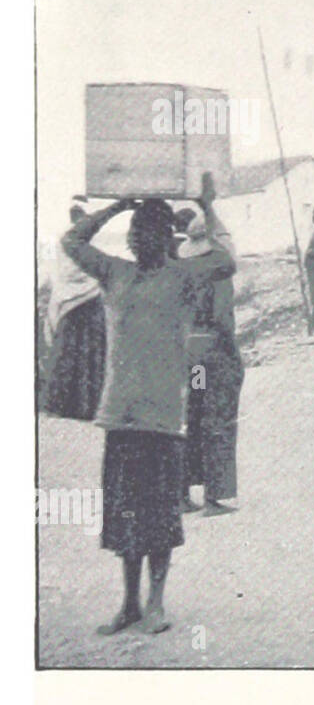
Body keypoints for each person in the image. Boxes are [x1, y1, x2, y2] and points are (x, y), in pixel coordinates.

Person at [61, 178, 235, 636]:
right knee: (124, 517)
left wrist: (206, 206)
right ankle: (129, 604)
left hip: (162, 418)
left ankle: (156, 604)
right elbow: (71, 240)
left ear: (166, 239)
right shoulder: (114, 272)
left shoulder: (182, 276)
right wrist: (117, 207)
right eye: (136, 232)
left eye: (148, 232)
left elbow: (224, 261)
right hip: (120, 414)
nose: (140, 239)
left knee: (158, 517)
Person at [178, 206, 243, 516]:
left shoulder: (183, 268)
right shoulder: (217, 270)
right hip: (214, 352)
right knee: (217, 418)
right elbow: (221, 317)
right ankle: (215, 496)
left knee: (194, 414)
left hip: (193, 355)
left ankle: (183, 492)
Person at [41, 204, 107, 421]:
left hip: (69, 302)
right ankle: (83, 406)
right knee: (86, 354)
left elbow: (59, 273)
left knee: (70, 353)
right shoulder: (83, 242)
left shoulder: (65, 240)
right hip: (87, 300)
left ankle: (64, 405)